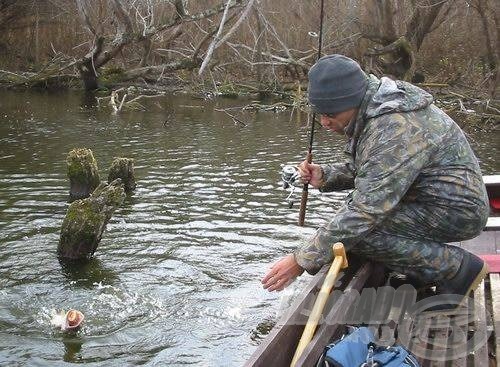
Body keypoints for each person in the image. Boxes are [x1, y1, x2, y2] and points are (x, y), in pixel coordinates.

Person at [261, 54, 489, 308]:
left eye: (330, 114)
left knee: (358, 233)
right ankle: (422, 270)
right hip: (424, 200)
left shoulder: (393, 127)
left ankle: (456, 269)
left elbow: (364, 211)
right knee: (346, 230)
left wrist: (301, 260)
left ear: (351, 100)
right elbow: (370, 169)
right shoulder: (375, 107)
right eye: (319, 114)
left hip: (456, 211)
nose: (324, 122)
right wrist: (325, 175)